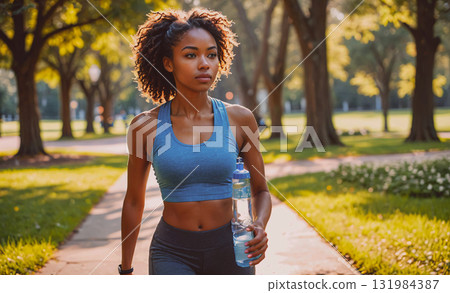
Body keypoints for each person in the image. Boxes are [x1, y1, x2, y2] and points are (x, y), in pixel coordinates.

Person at [120, 7, 271, 275]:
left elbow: (261, 191)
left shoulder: (240, 119)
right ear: (168, 63)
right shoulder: (145, 126)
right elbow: (133, 200)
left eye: (211, 55)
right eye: (191, 55)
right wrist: (126, 268)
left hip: (234, 250)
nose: (204, 64)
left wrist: (259, 225)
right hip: (172, 253)